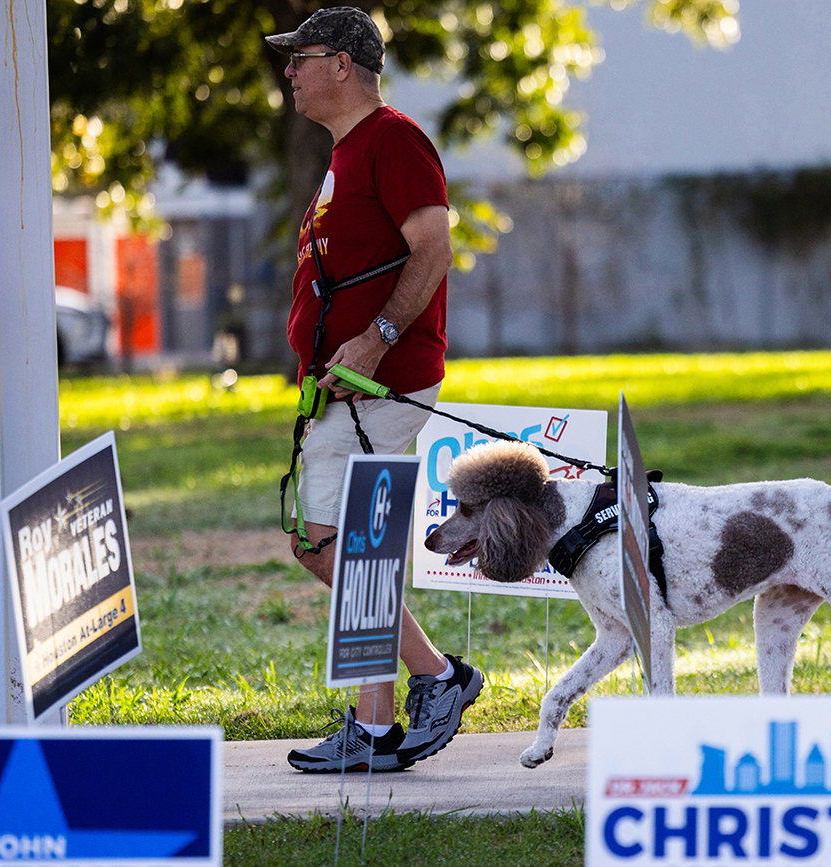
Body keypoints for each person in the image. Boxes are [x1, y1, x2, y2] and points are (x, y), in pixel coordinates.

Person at [266, 7, 483, 773]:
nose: (288, 70)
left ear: (342, 65)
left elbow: (433, 248)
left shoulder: (394, 140)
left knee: (349, 550)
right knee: (329, 547)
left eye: (300, 57)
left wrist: (379, 338)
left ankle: (388, 719)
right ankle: (423, 688)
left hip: (381, 389)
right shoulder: (346, 154)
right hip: (342, 393)